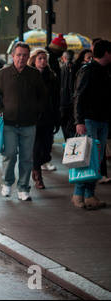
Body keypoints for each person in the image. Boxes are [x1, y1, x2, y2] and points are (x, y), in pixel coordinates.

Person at [0, 42, 47, 201]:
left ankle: (23, 188)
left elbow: (43, 95)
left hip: (29, 124)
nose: (21, 58)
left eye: (25, 55)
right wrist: (1, 112)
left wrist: (36, 111)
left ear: (29, 57)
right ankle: (7, 183)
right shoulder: (3, 74)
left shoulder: (34, 74)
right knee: (10, 154)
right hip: (8, 124)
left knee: (27, 158)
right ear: (13, 56)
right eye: (19, 54)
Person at [71, 40, 111, 209]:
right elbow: (78, 97)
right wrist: (79, 121)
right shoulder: (87, 70)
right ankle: (79, 193)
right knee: (87, 158)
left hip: (102, 120)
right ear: (107, 53)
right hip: (88, 121)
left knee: (96, 159)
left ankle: (88, 195)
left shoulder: (106, 71)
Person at [27, 48, 61, 189]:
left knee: (47, 146)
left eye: (44, 59)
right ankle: (38, 175)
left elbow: (56, 97)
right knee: (36, 146)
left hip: (48, 115)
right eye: (39, 59)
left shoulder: (52, 75)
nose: (42, 61)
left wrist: (57, 117)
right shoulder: (28, 75)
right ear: (34, 61)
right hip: (33, 116)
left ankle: (37, 168)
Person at [60, 49, 76, 140]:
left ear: (64, 58)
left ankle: (67, 144)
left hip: (63, 102)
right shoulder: (77, 68)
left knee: (65, 126)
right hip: (73, 103)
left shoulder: (62, 69)